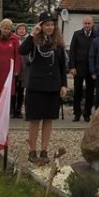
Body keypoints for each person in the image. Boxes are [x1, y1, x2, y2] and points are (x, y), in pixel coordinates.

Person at [19, 12, 68, 164]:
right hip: (36, 86)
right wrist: (32, 34)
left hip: (52, 86)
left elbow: (61, 66)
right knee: (35, 119)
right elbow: (22, 51)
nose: (50, 27)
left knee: (48, 119)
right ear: (40, 26)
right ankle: (32, 150)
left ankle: (44, 150)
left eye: (52, 24)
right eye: (46, 24)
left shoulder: (57, 43)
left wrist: (64, 84)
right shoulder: (34, 41)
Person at [68, 16, 97, 122]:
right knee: (77, 92)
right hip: (78, 68)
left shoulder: (96, 35)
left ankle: (87, 114)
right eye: (85, 23)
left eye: (89, 23)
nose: (87, 25)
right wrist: (72, 66)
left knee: (90, 93)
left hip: (91, 68)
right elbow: (72, 51)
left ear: (93, 24)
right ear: (83, 23)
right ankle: (76, 113)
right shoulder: (77, 34)